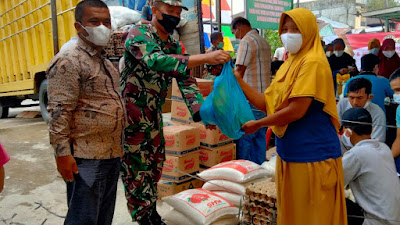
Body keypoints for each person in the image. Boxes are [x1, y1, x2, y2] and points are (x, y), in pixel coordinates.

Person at [120, 0, 231, 224]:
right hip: (132, 115)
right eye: (170, 11)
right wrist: (205, 58)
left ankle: (150, 209)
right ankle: (144, 216)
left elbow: (185, 78)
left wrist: (201, 114)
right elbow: (157, 61)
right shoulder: (138, 33)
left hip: (154, 115)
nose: (175, 16)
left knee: (156, 163)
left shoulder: (172, 40)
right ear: (155, 10)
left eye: (178, 12)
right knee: (136, 167)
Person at [234, 8, 346, 225]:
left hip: (312, 157)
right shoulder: (290, 63)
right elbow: (268, 104)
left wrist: (258, 124)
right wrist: (238, 79)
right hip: (291, 155)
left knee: (313, 218)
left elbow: (297, 109)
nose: (288, 34)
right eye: (284, 29)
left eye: (296, 29)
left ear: (309, 31)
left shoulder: (313, 62)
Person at [47, 1, 124, 224]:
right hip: (86, 157)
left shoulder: (104, 61)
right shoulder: (69, 60)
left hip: (110, 153)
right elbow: (59, 112)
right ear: (79, 26)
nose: (102, 27)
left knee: (102, 217)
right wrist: (62, 154)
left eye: (106, 22)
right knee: (83, 218)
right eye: (94, 21)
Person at [341, 107, 400, 225]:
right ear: (372, 130)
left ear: (347, 132)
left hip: (375, 222)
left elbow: (334, 183)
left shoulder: (356, 154)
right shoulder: (384, 149)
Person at [231, 17, 271, 164]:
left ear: (239, 28)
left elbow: (239, 71)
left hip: (250, 100)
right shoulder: (264, 42)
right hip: (264, 100)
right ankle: (258, 174)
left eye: (234, 32)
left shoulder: (246, 41)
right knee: (260, 138)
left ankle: (244, 174)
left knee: (246, 139)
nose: (235, 36)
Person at [338, 78, 386, 153]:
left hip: (367, 151)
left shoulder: (377, 112)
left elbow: (378, 141)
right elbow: (335, 128)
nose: (355, 102)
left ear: (370, 97)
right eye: (351, 97)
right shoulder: (342, 104)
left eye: (359, 98)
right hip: (343, 148)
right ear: (347, 96)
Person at [389, 68, 400, 175]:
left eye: (399, 90)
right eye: (394, 91)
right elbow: (399, 139)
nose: (396, 94)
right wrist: (387, 160)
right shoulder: (399, 110)